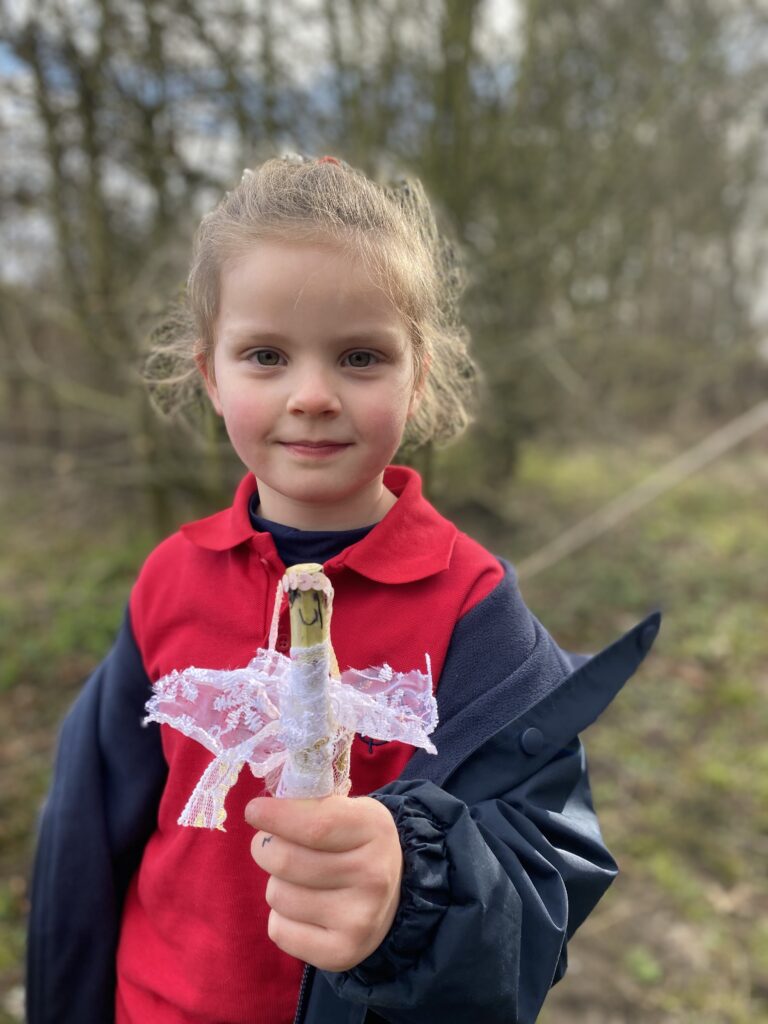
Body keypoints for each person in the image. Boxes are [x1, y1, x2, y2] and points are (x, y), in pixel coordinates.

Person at [26, 154, 660, 1024]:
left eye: (360, 356)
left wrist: (416, 889)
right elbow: (92, 836)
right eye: (266, 356)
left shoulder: (477, 609)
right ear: (211, 374)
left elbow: (541, 879)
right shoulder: (169, 578)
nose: (314, 395)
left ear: (418, 374)